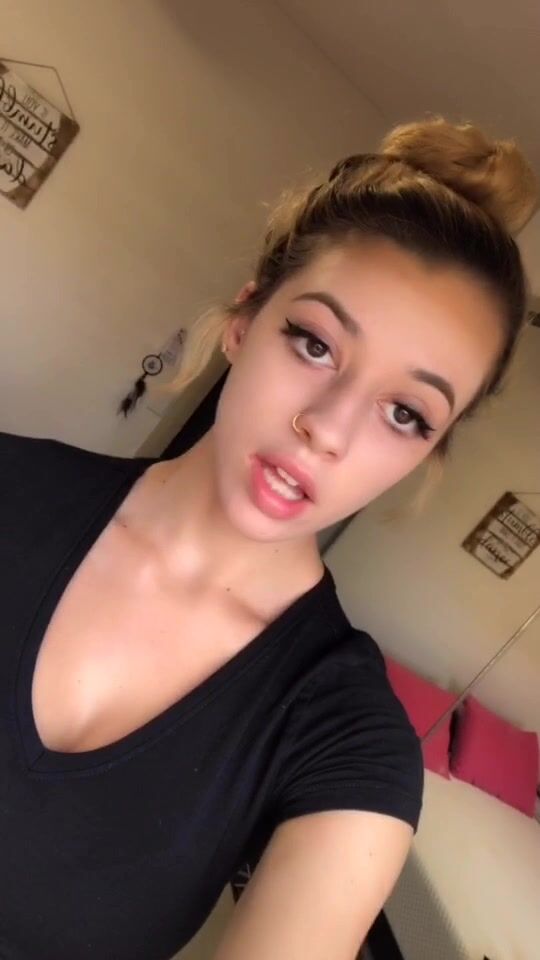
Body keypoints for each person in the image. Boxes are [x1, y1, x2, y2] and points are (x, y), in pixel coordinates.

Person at [1, 115, 537, 960]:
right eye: (316, 344)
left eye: (406, 413)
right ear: (246, 320)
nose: (328, 429)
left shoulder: (350, 743)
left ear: (428, 453)